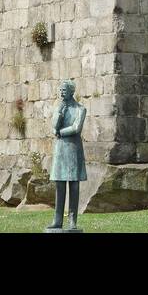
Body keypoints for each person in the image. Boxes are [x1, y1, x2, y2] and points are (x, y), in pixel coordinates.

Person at [46, 79, 87, 231]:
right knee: (60, 186)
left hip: (74, 150)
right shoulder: (59, 107)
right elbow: (53, 127)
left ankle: (72, 222)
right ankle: (57, 220)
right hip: (61, 149)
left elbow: (76, 128)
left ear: (71, 91)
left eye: (64, 90)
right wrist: (59, 113)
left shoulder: (80, 109)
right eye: (60, 90)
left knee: (74, 186)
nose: (61, 92)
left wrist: (60, 132)